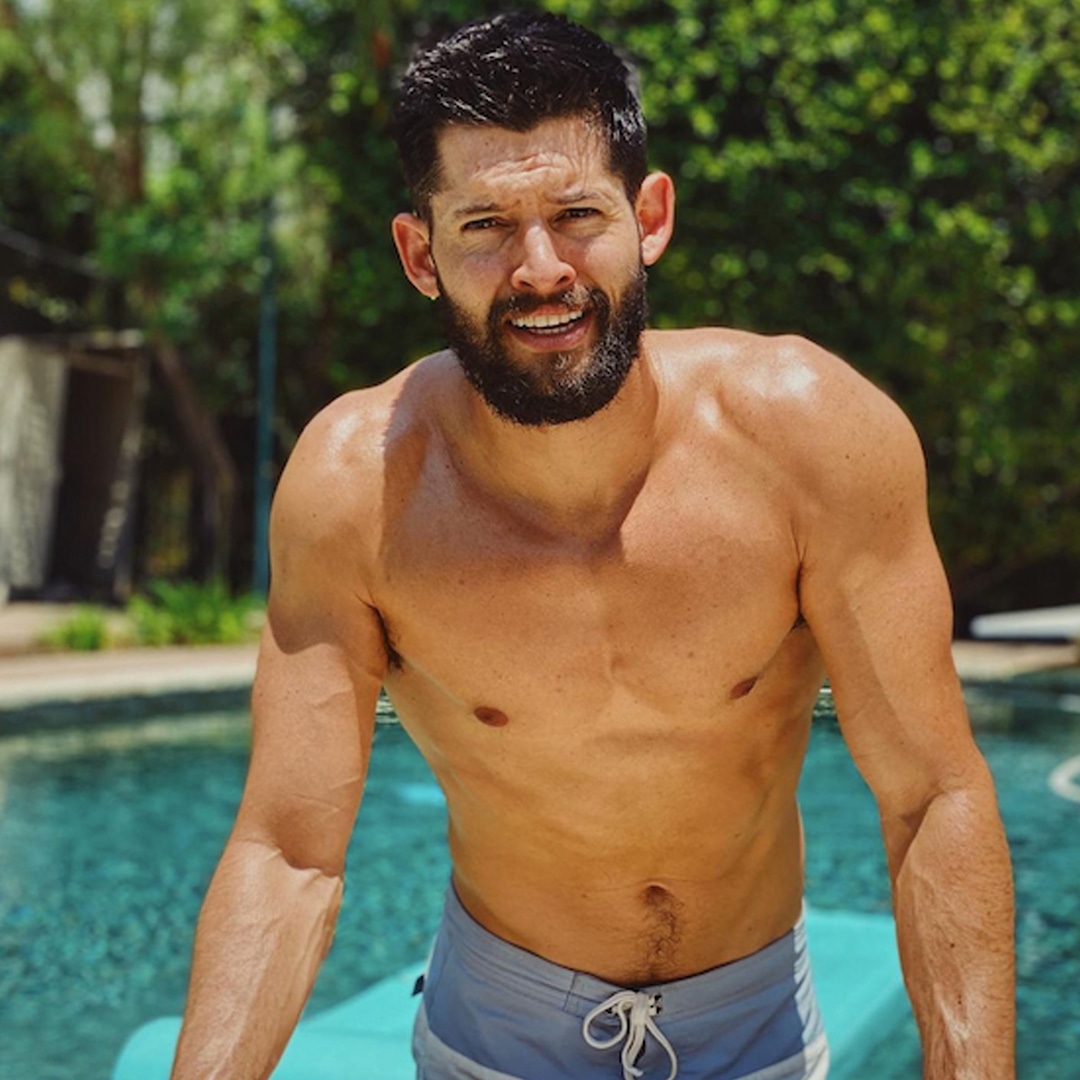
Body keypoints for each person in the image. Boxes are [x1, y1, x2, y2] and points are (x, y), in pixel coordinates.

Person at [169, 12, 1015, 1080]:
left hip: (756, 1033)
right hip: (491, 1038)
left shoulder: (812, 439)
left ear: (649, 217)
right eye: (485, 225)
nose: (540, 269)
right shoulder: (357, 489)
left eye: (577, 215)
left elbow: (933, 796)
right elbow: (288, 852)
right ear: (420, 254)